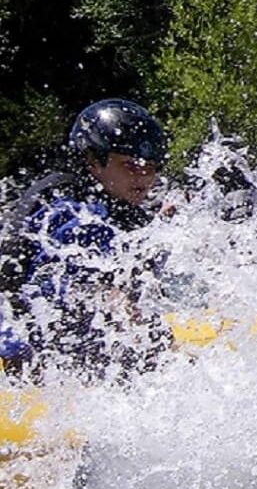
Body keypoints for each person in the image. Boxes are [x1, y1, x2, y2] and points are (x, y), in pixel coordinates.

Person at [0, 99, 172, 378]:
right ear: (93, 161)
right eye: (130, 165)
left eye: (150, 167)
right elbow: (54, 287)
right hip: (21, 346)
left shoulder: (126, 213)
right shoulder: (66, 209)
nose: (144, 177)